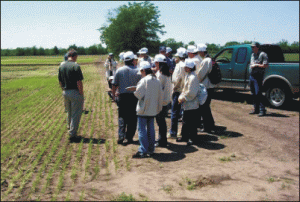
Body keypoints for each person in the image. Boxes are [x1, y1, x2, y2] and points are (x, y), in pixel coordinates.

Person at [133, 61, 163, 158]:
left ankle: (143, 150)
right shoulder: (157, 80)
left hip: (144, 109)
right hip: (153, 109)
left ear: (143, 70)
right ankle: (151, 149)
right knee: (151, 129)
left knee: (142, 130)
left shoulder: (144, 80)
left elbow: (138, 94)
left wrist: (135, 90)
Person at [112, 51, 142, 145]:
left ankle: (121, 135)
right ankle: (129, 137)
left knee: (122, 116)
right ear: (133, 60)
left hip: (122, 96)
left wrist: (113, 95)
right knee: (133, 118)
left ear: (124, 60)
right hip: (134, 97)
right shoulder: (138, 71)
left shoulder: (119, 70)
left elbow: (114, 85)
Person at [58, 49, 84, 142]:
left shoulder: (61, 66)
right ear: (75, 56)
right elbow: (79, 81)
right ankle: (72, 134)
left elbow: (60, 81)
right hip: (75, 92)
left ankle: (70, 128)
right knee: (76, 114)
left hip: (65, 92)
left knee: (69, 112)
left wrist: (63, 90)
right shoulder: (76, 66)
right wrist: (81, 93)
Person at [176, 59, 200, 146]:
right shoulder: (189, 75)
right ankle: (184, 136)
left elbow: (191, 93)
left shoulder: (193, 78)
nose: (184, 68)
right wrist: (181, 97)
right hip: (187, 103)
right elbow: (184, 89)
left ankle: (192, 138)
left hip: (192, 103)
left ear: (189, 68)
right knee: (185, 120)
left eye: (185, 67)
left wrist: (183, 98)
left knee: (191, 122)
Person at [196, 43, 216, 133]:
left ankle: (207, 127)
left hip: (206, 87)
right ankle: (210, 125)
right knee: (206, 107)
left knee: (204, 108)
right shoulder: (210, 59)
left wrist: (195, 81)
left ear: (201, 51)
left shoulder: (206, 61)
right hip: (210, 86)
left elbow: (200, 74)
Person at [153, 54, 172, 147]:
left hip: (160, 102)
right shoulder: (166, 73)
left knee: (160, 122)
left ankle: (162, 141)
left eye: (155, 63)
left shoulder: (160, 74)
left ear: (157, 63)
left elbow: (157, 89)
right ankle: (162, 139)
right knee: (162, 122)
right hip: (166, 101)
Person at [169, 47, 187, 139]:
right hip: (185, 91)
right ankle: (183, 132)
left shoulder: (179, 65)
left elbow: (176, 80)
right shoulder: (187, 64)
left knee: (174, 112)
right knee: (185, 112)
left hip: (178, 91)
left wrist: (174, 89)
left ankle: (173, 132)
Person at [249, 42, 268, 116]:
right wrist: (252, 66)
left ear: (258, 47)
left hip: (258, 77)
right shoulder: (252, 55)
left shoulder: (263, 54)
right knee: (253, 93)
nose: (252, 48)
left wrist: (256, 65)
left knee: (258, 93)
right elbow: (251, 64)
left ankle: (262, 110)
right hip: (252, 76)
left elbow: (265, 65)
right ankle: (255, 109)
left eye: (253, 47)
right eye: (252, 47)